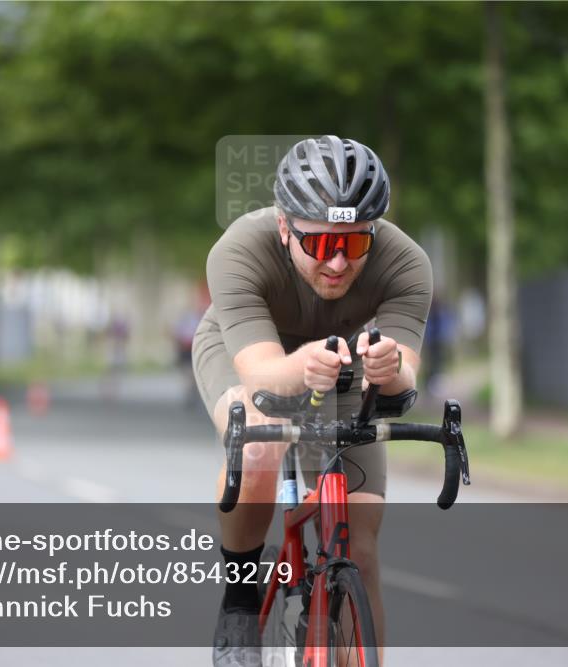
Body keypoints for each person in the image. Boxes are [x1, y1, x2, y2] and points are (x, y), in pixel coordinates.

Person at [193, 135, 432, 665]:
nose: (340, 263)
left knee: (361, 551)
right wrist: (299, 369)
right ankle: (238, 602)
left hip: (341, 361)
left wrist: (389, 369)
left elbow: (404, 385)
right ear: (285, 227)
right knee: (256, 451)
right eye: (322, 245)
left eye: (356, 244)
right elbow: (259, 375)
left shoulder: (406, 263)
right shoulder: (238, 251)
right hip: (246, 352)